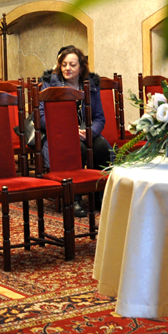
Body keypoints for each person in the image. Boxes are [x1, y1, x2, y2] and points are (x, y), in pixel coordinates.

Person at [38, 45, 111, 216]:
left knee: (101, 147)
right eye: (64, 64)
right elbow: (41, 117)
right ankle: (73, 199)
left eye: (72, 65)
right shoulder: (50, 85)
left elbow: (100, 117)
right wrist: (70, 131)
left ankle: (99, 195)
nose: (67, 69)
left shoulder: (91, 85)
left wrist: (90, 132)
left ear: (81, 67)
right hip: (60, 134)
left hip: (86, 132)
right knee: (78, 149)